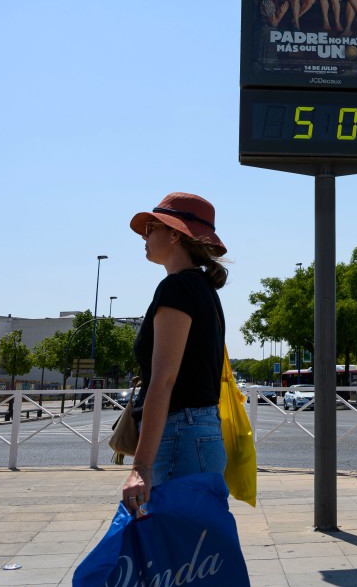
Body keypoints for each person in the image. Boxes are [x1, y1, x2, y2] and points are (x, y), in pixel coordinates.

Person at [121, 193, 229, 516]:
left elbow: (164, 379)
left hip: (180, 435)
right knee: (195, 554)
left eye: (151, 226)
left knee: (177, 554)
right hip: (203, 433)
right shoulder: (205, 291)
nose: (144, 235)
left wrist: (141, 467)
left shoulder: (176, 289)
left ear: (174, 234)